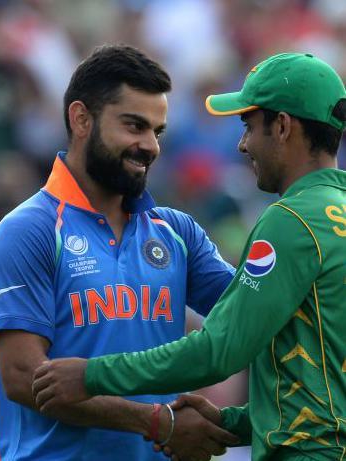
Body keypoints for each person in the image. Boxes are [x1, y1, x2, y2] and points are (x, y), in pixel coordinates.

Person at [32, 52, 346, 461]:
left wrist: (91, 375)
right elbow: (324, 381)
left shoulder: (290, 221)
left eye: (249, 126)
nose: (242, 144)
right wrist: (230, 424)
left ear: (283, 126)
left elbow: (219, 351)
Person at [0, 44, 241, 461]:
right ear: (81, 119)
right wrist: (156, 422)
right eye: (134, 126)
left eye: (157, 132)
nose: (150, 146)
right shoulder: (28, 231)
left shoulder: (177, 232)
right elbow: (22, 377)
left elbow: (251, 315)